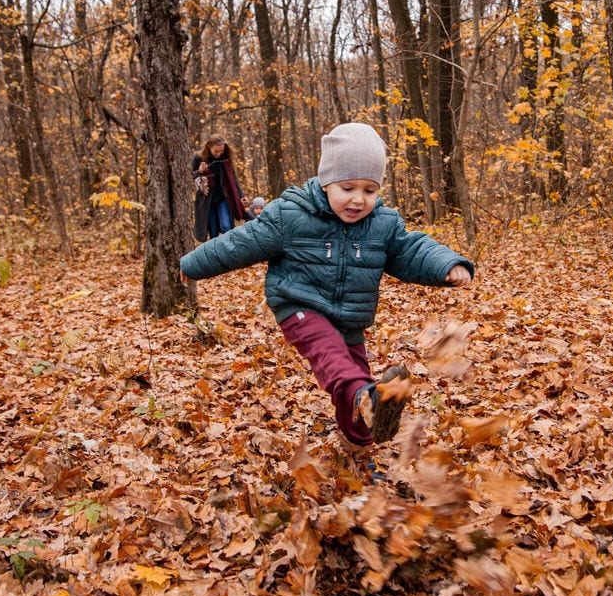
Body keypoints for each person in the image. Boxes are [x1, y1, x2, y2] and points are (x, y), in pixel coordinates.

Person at [180, 122, 474, 450]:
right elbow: (238, 243)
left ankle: (359, 441)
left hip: (349, 318)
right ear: (326, 181)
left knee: (353, 374)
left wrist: (447, 264)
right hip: (299, 305)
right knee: (332, 356)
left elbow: (411, 250)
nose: (358, 200)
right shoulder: (290, 215)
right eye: (348, 188)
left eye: (369, 190)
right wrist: (192, 265)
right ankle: (365, 397)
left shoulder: (383, 223)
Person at [191, 136, 249, 241]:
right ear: (209, 147)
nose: (219, 153)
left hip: (224, 197)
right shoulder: (198, 158)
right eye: (216, 151)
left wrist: (241, 196)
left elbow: (234, 178)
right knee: (213, 231)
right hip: (207, 200)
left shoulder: (225, 158)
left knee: (226, 226)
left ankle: (231, 250)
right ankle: (218, 255)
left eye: (221, 150)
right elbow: (188, 177)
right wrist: (199, 171)